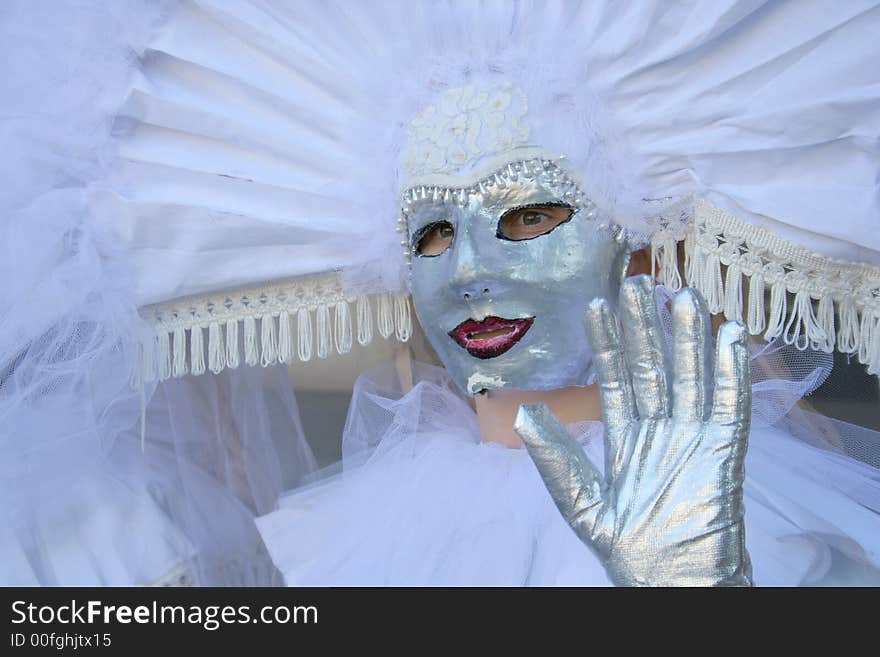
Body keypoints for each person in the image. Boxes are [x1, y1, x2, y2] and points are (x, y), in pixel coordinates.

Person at [3, 0, 879, 586]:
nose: (466, 273)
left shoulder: (768, 509)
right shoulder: (359, 540)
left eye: (530, 214)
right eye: (429, 233)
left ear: (634, 227)